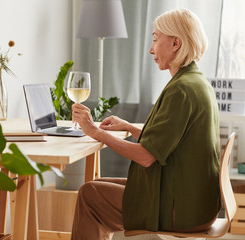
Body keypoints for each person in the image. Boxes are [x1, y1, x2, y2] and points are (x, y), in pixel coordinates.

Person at [70, 9, 221, 240]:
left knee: (90, 193)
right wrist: (130, 127)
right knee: (99, 184)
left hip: (181, 211)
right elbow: (171, 143)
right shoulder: (196, 81)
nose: (151, 49)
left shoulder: (181, 89)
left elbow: (146, 156)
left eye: (155, 38)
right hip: (193, 200)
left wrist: (94, 131)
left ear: (175, 43)